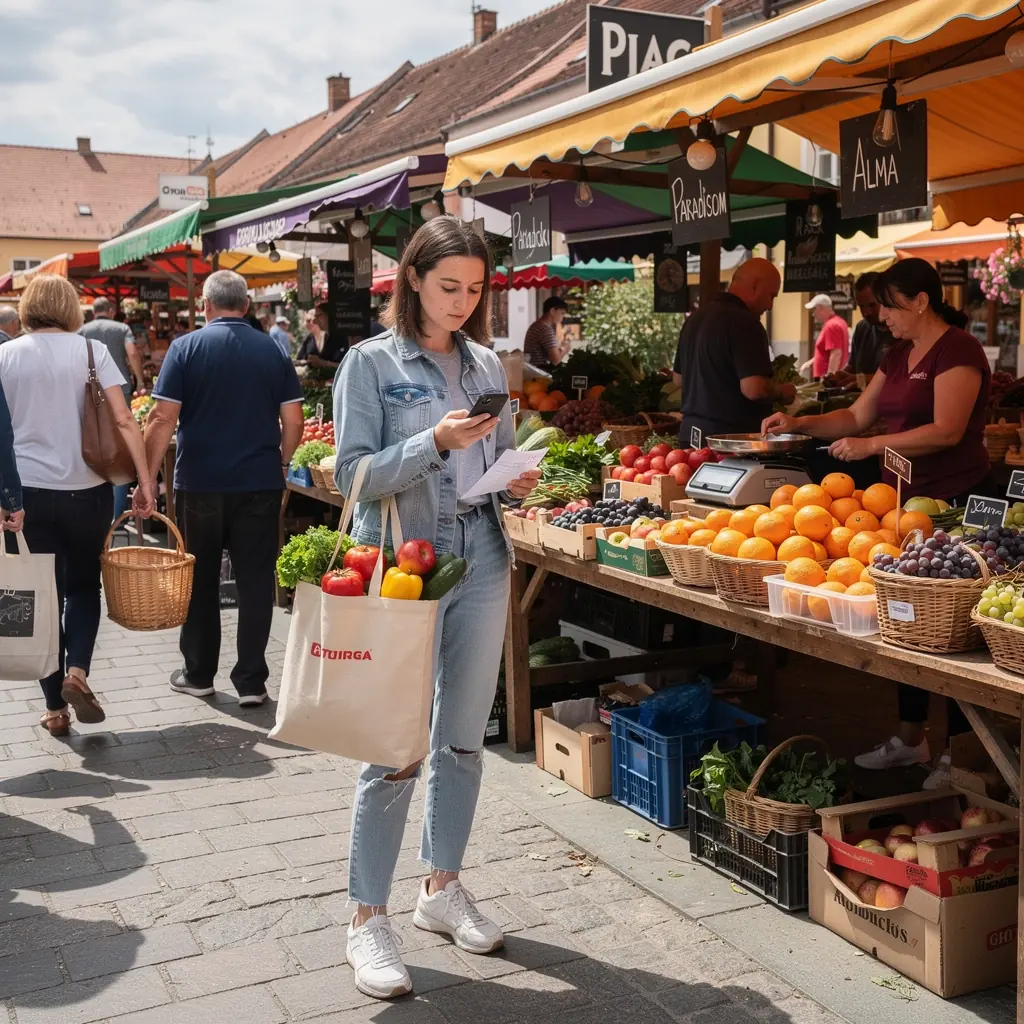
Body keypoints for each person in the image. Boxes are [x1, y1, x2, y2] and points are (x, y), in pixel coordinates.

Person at [333, 217, 541, 1000]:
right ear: (412, 279)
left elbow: (498, 455)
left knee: (461, 741)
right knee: (394, 745)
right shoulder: (369, 363)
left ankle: (441, 889)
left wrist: (514, 475)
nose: (462, 301)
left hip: (482, 554)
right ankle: (365, 920)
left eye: (476, 289)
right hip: (401, 568)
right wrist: (434, 444)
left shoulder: (488, 361)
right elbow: (350, 475)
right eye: (448, 286)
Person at [762, 258, 991, 787]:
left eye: (888, 304)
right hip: (902, 507)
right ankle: (912, 740)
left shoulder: (959, 349)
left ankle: (961, 752)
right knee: (906, 618)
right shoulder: (896, 353)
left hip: (954, 505)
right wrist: (800, 421)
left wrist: (871, 446)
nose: (880, 315)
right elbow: (855, 417)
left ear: (919, 301)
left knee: (953, 630)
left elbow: (948, 430)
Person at [0, 275, 155, 737]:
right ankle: (78, 674)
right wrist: (144, 481)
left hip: (24, 494)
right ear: (72, 309)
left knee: (39, 596)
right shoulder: (92, 351)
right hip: (86, 490)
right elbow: (124, 419)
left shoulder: (5, 355)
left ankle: (54, 708)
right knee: (84, 586)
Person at [143, 270, 304, 707]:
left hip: (200, 484)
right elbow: (294, 422)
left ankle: (198, 673)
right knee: (255, 581)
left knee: (200, 580)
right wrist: (283, 462)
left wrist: (147, 477)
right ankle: (251, 682)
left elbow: (162, 419)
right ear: (247, 307)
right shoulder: (273, 351)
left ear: (206, 307)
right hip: (259, 482)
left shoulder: (186, 348)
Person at [673, 257, 795, 444]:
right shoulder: (746, 323)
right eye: (771, 296)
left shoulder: (694, 319)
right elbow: (753, 389)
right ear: (755, 286)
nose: (770, 306)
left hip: (690, 435)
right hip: (730, 441)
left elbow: (678, 379)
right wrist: (782, 392)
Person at [81, 297, 145, 520]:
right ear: (110, 310)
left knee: (92, 443)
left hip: (89, 394)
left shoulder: (82, 330)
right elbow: (133, 353)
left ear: (92, 312)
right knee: (119, 448)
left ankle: (93, 508)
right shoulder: (122, 328)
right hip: (120, 390)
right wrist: (140, 380)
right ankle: (116, 514)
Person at [836, 272, 893, 381]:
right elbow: (852, 367)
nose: (866, 312)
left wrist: (859, 380)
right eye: (861, 306)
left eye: (872, 305)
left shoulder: (902, 332)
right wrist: (840, 376)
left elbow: (899, 378)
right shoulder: (861, 328)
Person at [801, 294, 849, 380]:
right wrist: (811, 362)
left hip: (826, 379)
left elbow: (836, 354)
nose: (813, 314)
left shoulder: (831, 325)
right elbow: (827, 352)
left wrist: (829, 379)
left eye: (813, 310)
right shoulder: (839, 322)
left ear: (820, 308)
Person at [523, 296, 569, 368]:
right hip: (540, 374)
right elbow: (555, 360)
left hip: (532, 371)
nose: (562, 317)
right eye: (561, 313)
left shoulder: (536, 325)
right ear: (552, 311)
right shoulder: (545, 329)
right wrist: (565, 348)